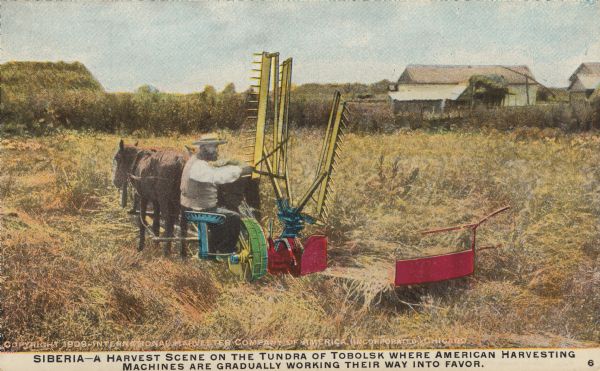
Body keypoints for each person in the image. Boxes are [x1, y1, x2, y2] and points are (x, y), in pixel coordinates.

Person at [179, 134, 247, 257]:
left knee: (221, 213)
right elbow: (216, 176)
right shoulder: (198, 165)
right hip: (198, 209)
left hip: (193, 206)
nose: (217, 151)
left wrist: (228, 165)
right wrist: (240, 170)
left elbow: (211, 171)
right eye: (215, 147)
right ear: (205, 148)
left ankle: (213, 248)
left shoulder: (197, 161)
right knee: (234, 217)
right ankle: (225, 251)